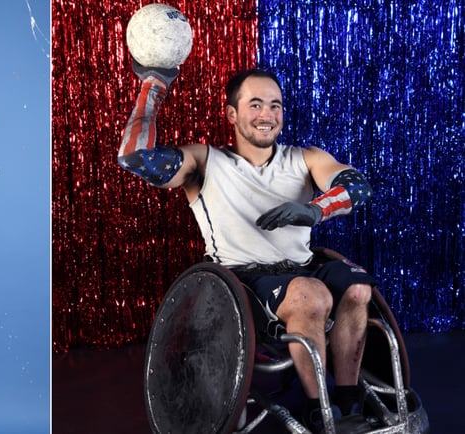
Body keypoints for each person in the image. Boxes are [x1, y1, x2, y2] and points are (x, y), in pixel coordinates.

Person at [117, 62, 375, 431]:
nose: (267, 115)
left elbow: (358, 186)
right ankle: (319, 412)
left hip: (302, 268)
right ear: (232, 114)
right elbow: (134, 158)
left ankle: (348, 403)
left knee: (358, 287)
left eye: (275, 105)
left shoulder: (305, 159)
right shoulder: (206, 161)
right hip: (243, 284)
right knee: (311, 296)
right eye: (255, 104)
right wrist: (154, 87)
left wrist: (314, 209)